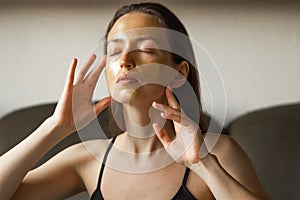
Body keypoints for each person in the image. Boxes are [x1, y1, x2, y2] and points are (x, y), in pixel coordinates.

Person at [0, 2, 271, 200]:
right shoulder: (89, 159)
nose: (125, 62)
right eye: (115, 51)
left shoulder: (220, 153)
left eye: (146, 49)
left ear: (179, 73)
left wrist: (204, 165)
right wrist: (55, 128)